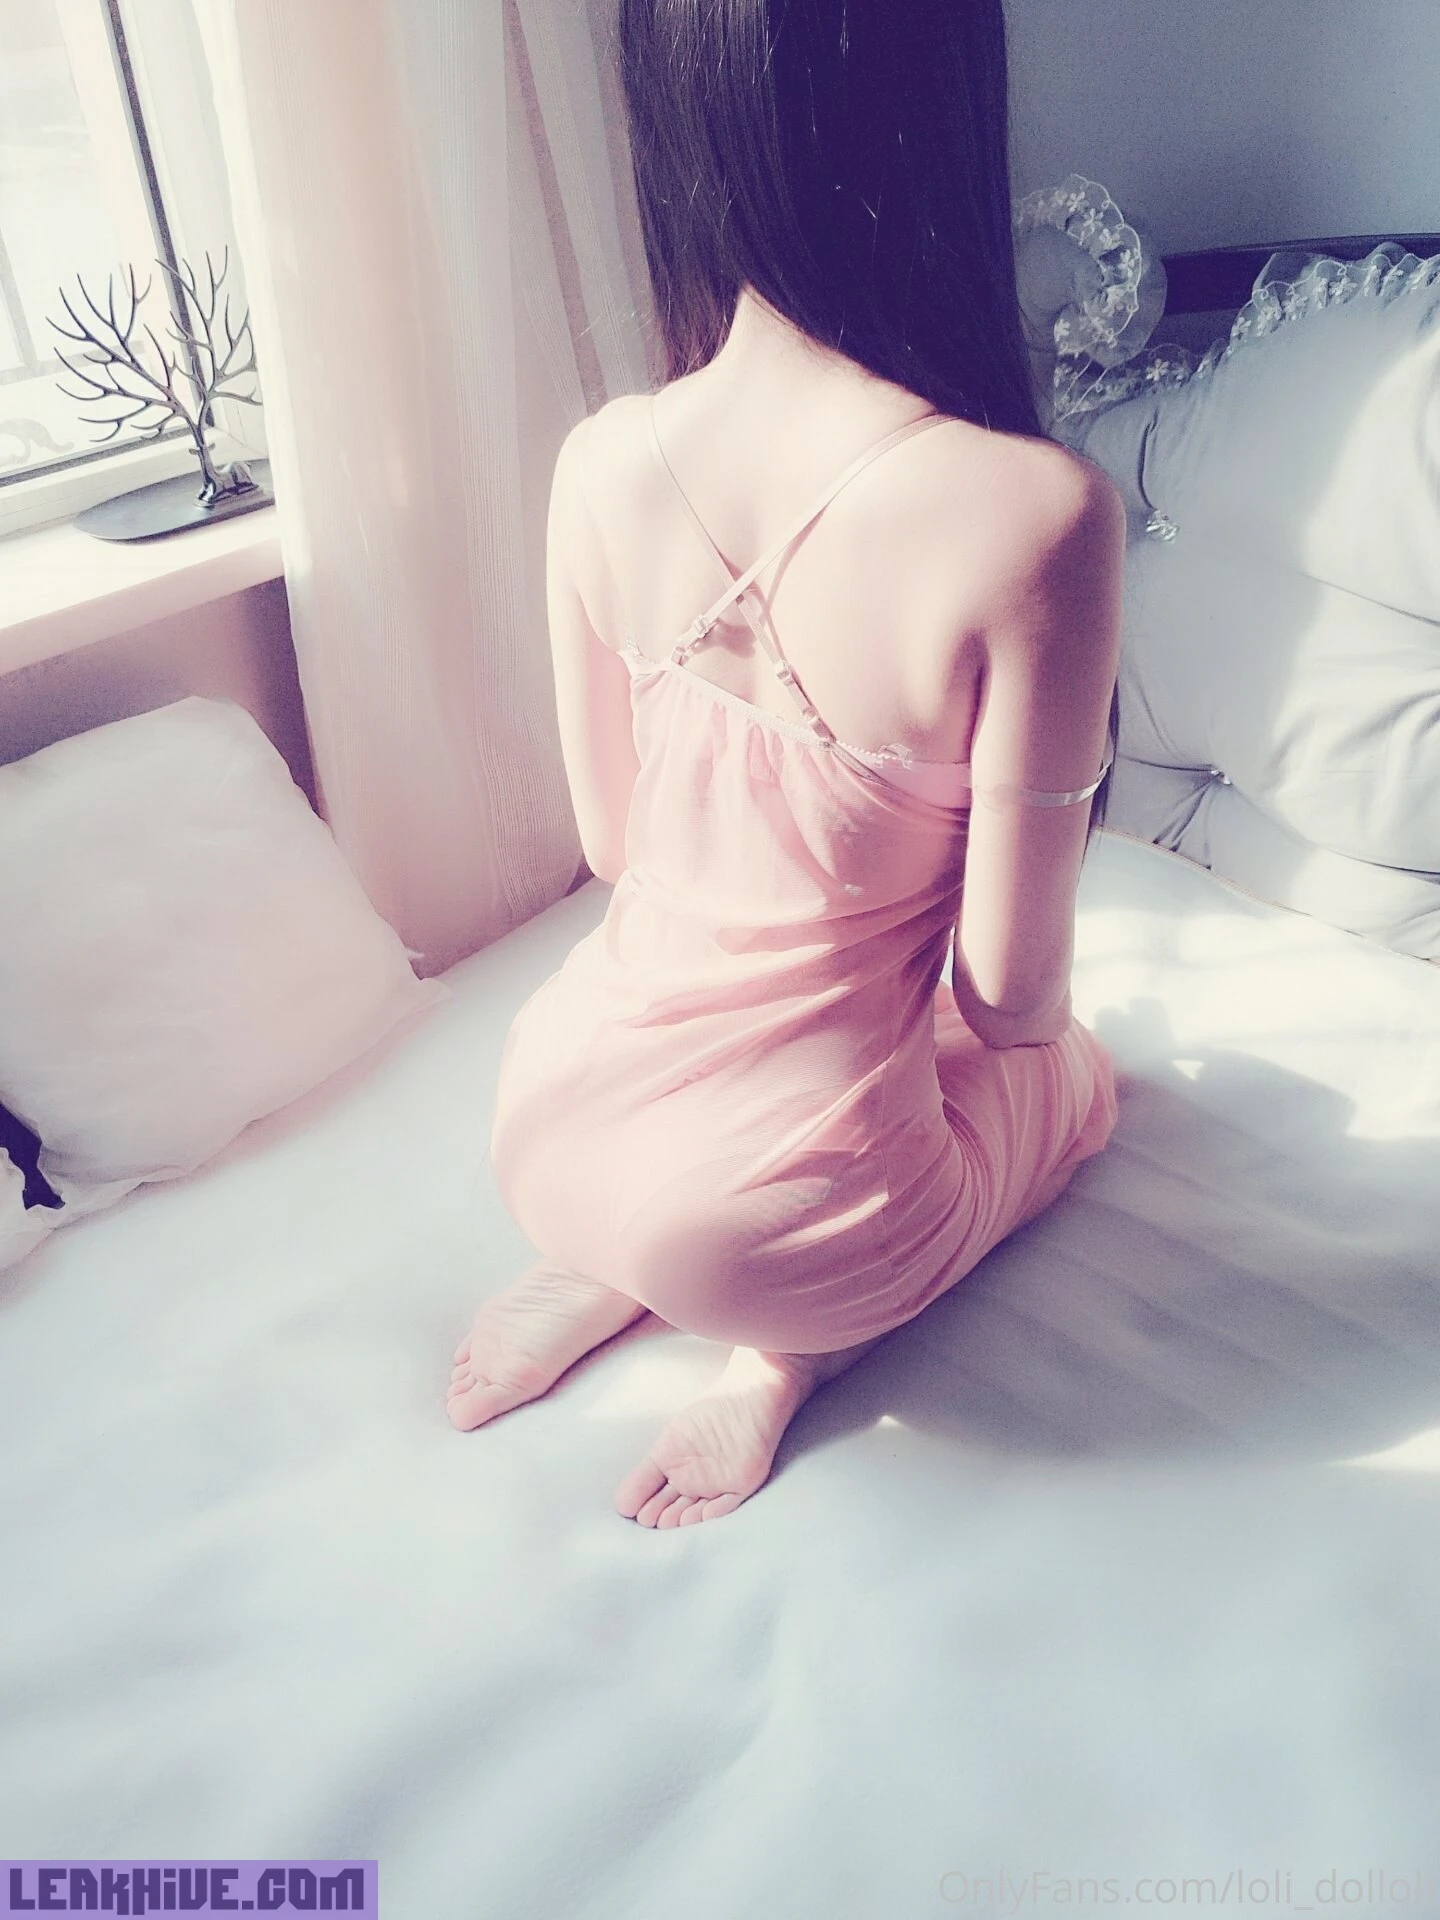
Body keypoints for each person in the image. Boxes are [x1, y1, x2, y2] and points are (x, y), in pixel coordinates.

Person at [447, 0, 1126, 1529]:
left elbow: (616, 846)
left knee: (749, 1134)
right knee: (1080, 1081)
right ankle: (783, 1361)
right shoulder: (1038, 514)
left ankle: (606, 1264)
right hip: (783, 1229)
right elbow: (1008, 1007)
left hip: (549, 1121)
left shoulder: (602, 455)